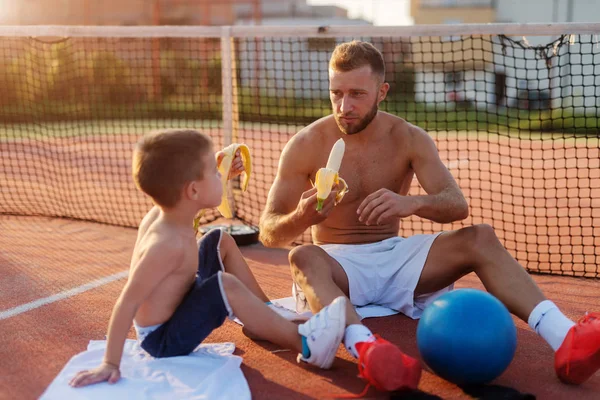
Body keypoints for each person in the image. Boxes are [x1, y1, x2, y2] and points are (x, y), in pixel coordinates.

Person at [258, 40, 600, 391]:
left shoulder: (408, 137)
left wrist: (413, 203)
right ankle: (369, 352)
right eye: (336, 93)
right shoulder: (305, 143)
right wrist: (301, 216)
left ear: (382, 91)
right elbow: (269, 232)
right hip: (335, 264)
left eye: (357, 94)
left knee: (479, 237)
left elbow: (456, 204)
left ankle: (566, 339)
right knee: (301, 255)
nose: (344, 106)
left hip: (395, 256)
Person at [69, 129, 349, 388]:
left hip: (181, 299)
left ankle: (265, 316)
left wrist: (214, 171)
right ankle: (307, 346)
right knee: (223, 285)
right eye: (215, 173)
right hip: (165, 339)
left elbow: (194, 195)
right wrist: (109, 362)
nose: (222, 174)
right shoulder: (165, 244)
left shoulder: (172, 212)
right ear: (192, 191)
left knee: (219, 239)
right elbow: (127, 302)